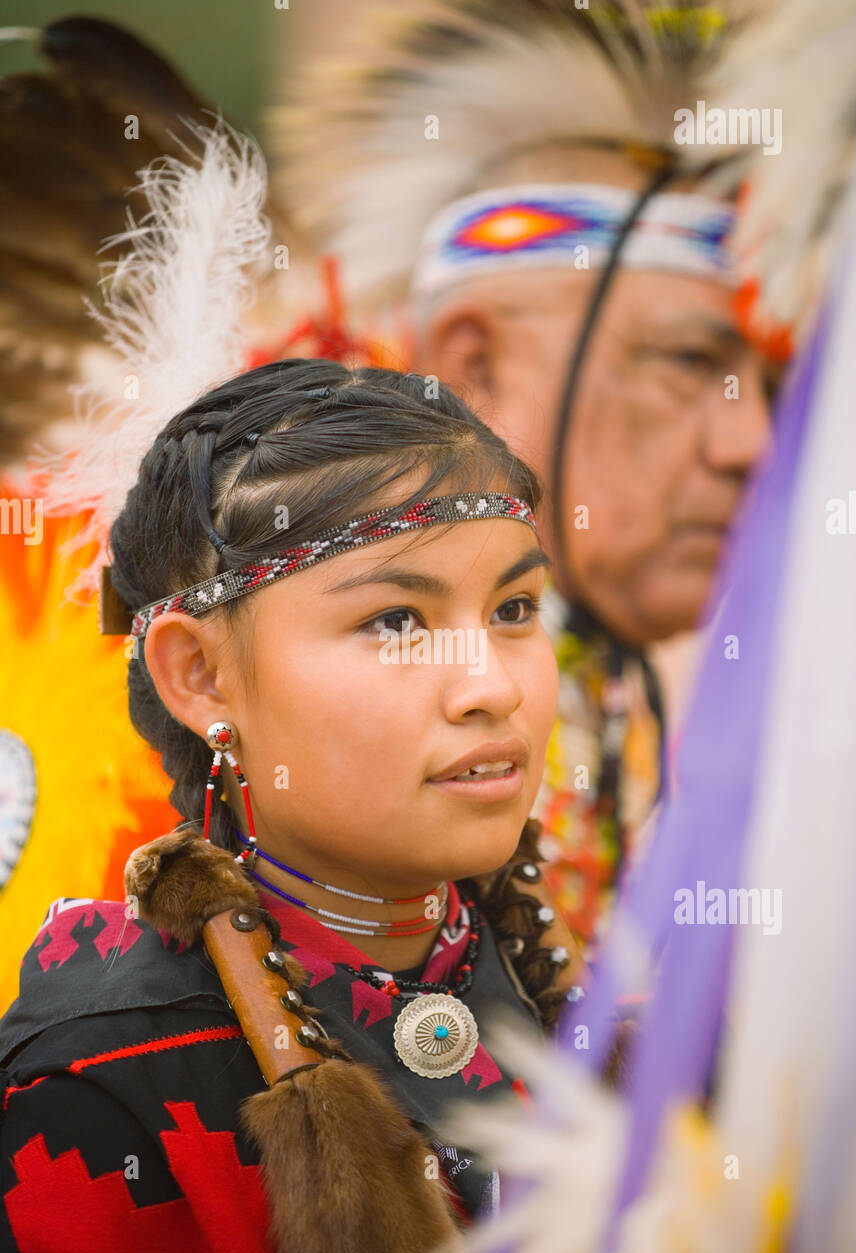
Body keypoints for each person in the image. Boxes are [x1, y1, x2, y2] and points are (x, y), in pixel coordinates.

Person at [0, 357, 580, 1253]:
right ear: (200, 676)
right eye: (396, 621)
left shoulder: (588, 1007)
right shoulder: (97, 1089)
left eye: (514, 609)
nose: (495, 686)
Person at [277, 0, 785, 948]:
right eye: (687, 363)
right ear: (475, 368)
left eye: (768, 385)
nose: (748, 441)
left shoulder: (636, 721)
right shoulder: (243, 731)